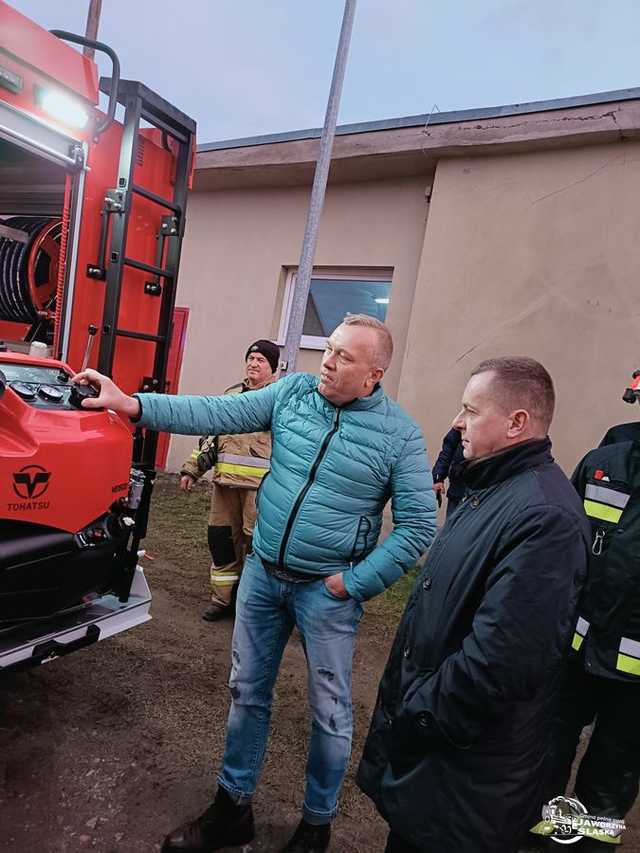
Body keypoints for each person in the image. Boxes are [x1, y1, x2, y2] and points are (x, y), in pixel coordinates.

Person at [73, 314, 437, 853]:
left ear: (374, 375)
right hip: (264, 575)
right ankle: (231, 809)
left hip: (327, 593)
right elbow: (216, 411)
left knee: (330, 711)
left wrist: (356, 583)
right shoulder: (292, 393)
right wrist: (134, 404)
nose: (328, 363)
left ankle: (316, 824)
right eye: (328, 350)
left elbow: (418, 526)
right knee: (247, 694)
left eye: (343, 357)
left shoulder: (400, 436)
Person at [356, 355, 590, 853]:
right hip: (438, 767)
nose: (457, 422)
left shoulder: (545, 518)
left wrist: (414, 717)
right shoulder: (485, 489)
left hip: (465, 779)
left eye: (470, 409)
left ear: (516, 423)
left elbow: (500, 665)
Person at [529, 386, 640, 852]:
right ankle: (537, 835)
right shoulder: (604, 465)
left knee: (610, 779)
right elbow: (562, 549)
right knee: (546, 753)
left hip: (635, 682)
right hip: (575, 650)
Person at [179, 340, 279, 621]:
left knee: (255, 548)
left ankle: (251, 606)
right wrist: (192, 469)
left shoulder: (279, 399)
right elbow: (212, 436)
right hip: (224, 488)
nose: (253, 363)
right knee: (221, 543)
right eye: (251, 357)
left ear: (273, 368)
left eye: (261, 360)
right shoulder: (231, 394)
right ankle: (221, 601)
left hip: (260, 492)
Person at [431, 427, 465, 516]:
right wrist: (438, 478)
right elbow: (448, 450)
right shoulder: (464, 420)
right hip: (457, 489)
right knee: (452, 525)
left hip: (483, 491)